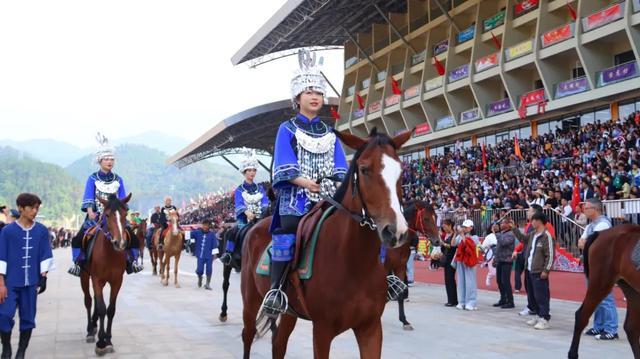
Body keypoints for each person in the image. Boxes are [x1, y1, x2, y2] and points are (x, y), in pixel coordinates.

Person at [262, 49, 348, 318]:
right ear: (297, 97)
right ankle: (276, 291)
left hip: (328, 199)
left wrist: (330, 185)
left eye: (319, 93)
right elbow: (283, 167)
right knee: (286, 231)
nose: (314, 96)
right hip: (295, 200)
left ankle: (385, 278)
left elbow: (341, 167)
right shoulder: (286, 129)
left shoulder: (330, 133)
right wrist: (306, 183)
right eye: (309, 92)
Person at [68, 133, 142, 276]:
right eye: (106, 159)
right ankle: (77, 263)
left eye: (112, 159)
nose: (110, 162)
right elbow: (89, 197)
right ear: (100, 160)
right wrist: (90, 212)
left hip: (116, 217)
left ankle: (132, 262)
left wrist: (122, 214)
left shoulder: (118, 179)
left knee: (132, 237)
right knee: (78, 238)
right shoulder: (92, 179)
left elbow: (122, 199)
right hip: (96, 216)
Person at [0, 193, 54, 359]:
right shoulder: (7, 231)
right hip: (10, 283)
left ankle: (21, 352)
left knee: (28, 318)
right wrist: (1, 284)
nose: (35, 211)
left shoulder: (41, 230)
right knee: (3, 315)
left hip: (31, 283)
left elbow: (46, 254)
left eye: (37, 208)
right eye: (31, 207)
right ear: (21, 208)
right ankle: (7, 347)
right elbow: (1, 257)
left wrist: (43, 277)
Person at [578, 198, 619, 341]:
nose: (584, 210)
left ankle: (611, 329)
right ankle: (599, 325)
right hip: (592, 266)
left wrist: (586, 243)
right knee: (595, 297)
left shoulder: (603, 224)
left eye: (586, 208)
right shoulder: (591, 226)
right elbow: (581, 242)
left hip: (602, 267)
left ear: (595, 209)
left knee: (605, 298)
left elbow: (589, 244)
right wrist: (586, 243)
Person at [221, 148, 269, 265]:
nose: (252, 172)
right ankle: (228, 254)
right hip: (244, 220)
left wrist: (262, 211)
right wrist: (247, 213)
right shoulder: (239, 189)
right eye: (249, 170)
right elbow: (239, 205)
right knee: (231, 231)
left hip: (260, 218)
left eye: (254, 170)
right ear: (244, 172)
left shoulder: (260, 188)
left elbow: (265, 201)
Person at [512, 212, 554, 330]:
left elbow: (550, 255)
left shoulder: (546, 236)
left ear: (539, 221)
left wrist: (546, 270)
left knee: (542, 296)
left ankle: (544, 318)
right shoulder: (532, 234)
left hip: (539, 271)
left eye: (532, 220)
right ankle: (537, 315)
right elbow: (523, 239)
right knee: (533, 295)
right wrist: (514, 229)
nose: (531, 223)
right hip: (529, 270)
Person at [452, 219, 479, 311]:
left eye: (466, 227)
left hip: (470, 261)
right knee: (461, 282)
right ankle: (462, 302)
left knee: (470, 282)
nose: (464, 228)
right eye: (463, 227)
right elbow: (453, 244)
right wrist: (455, 233)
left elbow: (467, 245)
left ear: (471, 228)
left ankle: (471, 302)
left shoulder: (475, 237)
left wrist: (462, 235)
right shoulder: (460, 236)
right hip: (461, 261)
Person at [190, 220, 219, 290]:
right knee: (199, 270)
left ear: (209, 226)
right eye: (204, 225)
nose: (205, 226)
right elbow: (189, 235)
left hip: (209, 255)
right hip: (200, 254)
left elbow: (215, 244)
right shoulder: (197, 232)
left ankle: (207, 284)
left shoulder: (212, 234)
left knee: (209, 269)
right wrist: (192, 244)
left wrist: (215, 254)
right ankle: (200, 278)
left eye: (207, 225)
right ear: (202, 225)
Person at [494, 219, 515, 309]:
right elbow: (498, 247)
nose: (501, 224)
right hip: (500, 260)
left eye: (503, 223)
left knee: (505, 281)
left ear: (509, 224)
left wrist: (497, 233)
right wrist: (496, 259)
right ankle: (503, 299)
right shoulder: (502, 233)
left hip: (507, 260)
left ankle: (510, 301)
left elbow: (503, 243)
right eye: (501, 223)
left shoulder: (511, 234)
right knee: (499, 280)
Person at [440, 219, 457, 307]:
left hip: (452, 260)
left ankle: (453, 300)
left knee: (450, 280)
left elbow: (453, 246)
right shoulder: (445, 235)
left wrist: (443, 243)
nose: (444, 227)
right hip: (446, 260)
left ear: (450, 225)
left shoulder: (454, 234)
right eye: (443, 226)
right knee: (448, 280)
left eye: (445, 226)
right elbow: (444, 248)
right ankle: (451, 299)